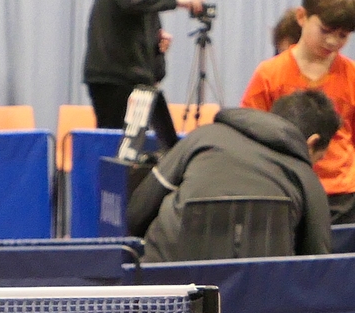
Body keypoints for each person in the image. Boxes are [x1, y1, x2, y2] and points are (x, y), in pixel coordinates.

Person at [126, 90, 338, 262]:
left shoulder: (202, 137)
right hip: (259, 296)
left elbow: (138, 211)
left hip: (167, 284)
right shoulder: (306, 179)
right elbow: (318, 267)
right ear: (311, 143)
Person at [241, 0, 355, 225]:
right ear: (302, 17)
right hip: (285, 190)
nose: (333, 41)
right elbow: (250, 138)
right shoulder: (269, 74)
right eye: (326, 30)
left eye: (343, 35)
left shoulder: (351, 75)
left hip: (342, 197)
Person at [82, 0, 207, 149]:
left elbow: (156, 69)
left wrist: (158, 50)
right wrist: (177, 0)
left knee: (161, 146)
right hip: (116, 79)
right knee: (118, 149)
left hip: (138, 81)